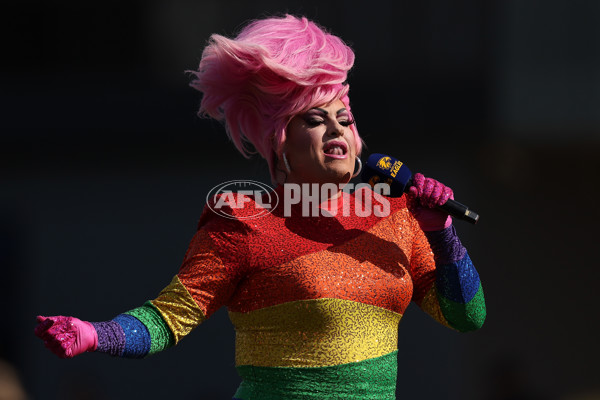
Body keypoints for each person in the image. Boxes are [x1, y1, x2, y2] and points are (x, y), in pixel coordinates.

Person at [34, 14, 486, 399]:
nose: (336, 130)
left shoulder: (395, 214)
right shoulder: (244, 222)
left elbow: (467, 317)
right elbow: (169, 318)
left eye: (344, 119)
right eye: (314, 119)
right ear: (279, 143)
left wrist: (442, 233)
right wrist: (97, 334)